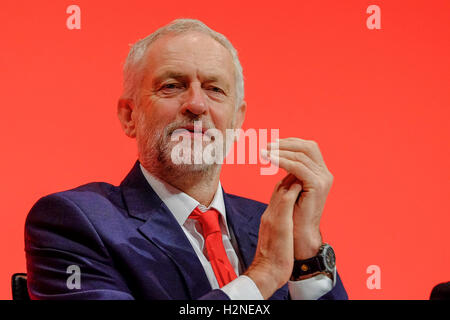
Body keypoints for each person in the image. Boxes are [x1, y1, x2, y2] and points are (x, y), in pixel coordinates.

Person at [25, 19, 348, 300]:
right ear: (129, 116)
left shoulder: (270, 224)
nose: (196, 104)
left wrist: (306, 251)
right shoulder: (74, 223)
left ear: (236, 122)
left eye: (215, 89)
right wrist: (262, 276)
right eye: (172, 86)